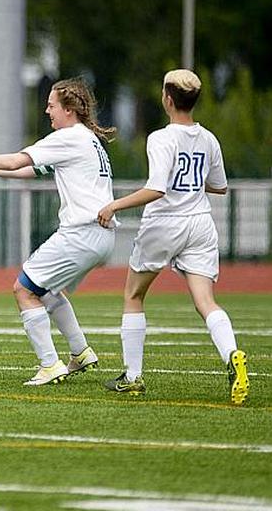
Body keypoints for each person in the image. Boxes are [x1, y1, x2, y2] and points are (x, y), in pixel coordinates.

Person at [0, 77, 113, 386]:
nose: (47, 111)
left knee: (23, 289)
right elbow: (26, 171)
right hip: (101, 235)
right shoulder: (87, 138)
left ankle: (50, 364)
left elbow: (15, 161)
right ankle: (80, 351)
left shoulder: (69, 137)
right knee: (46, 289)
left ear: (68, 109)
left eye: (51, 105)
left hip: (82, 232)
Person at [97, 69, 249, 405]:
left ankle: (133, 377)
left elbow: (156, 188)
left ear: (167, 99)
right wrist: (192, 183)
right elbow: (220, 186)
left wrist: (114, 205)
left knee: (133, 295)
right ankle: (232, 355)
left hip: (165, 222)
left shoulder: (160, 138)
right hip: (200, 224)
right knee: (205, 301)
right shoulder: (209, 139)